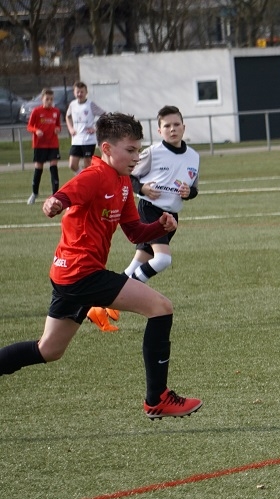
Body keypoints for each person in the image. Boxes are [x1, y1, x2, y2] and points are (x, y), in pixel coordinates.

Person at [0, 112, 202, 420]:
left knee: (49, 350)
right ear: (106, 148)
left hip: (70, 275)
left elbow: (134, 232)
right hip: (81, 273)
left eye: (138, 150)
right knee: (161, 308)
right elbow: (67, 194)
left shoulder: (122, 182)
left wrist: (159, 225)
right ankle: (157, 399)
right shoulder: (94, 175)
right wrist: (54, 202)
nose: (136, 157)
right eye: (130, 150)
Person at [87, 105, 200, 332]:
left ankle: (97, 308)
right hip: (150, 210)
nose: (172, 129)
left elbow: (194, 188)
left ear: (183, 127)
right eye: (167, 126)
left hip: (171, 216)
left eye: (176, 124)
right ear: (159, 130)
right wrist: (143, 189)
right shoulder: (152, 152)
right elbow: (129, 177)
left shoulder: (193, 156)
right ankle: (120, 297)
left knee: (136, 265)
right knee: (162, 260)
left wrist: (189, 192)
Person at [26, 88, 62, 205]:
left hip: (53, 144)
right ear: (42, 99)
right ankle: (34, 193)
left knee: (53, 167)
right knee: (38, 168)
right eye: (47, 99)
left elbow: (58, 125)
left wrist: (58, 129)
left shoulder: (56, 111)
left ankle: (55, 195)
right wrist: (36, 131)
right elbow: (29, 126)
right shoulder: (36, 111)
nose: (49, 101)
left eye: (51, 99)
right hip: (39, 144)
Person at [65, 81, 105, 175]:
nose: (79, 94)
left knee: (87, 163)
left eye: (82, 92)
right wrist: (70, 128)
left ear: (86, 92)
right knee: (72, 165)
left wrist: (95, 128)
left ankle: (88, 180)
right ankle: (83, 177)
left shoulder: (90, 104)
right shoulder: (72, 104)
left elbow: (104, 115)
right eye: (77, 92)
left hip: (88, 139)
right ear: (74, 93)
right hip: (76, 139)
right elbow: (68, 116)